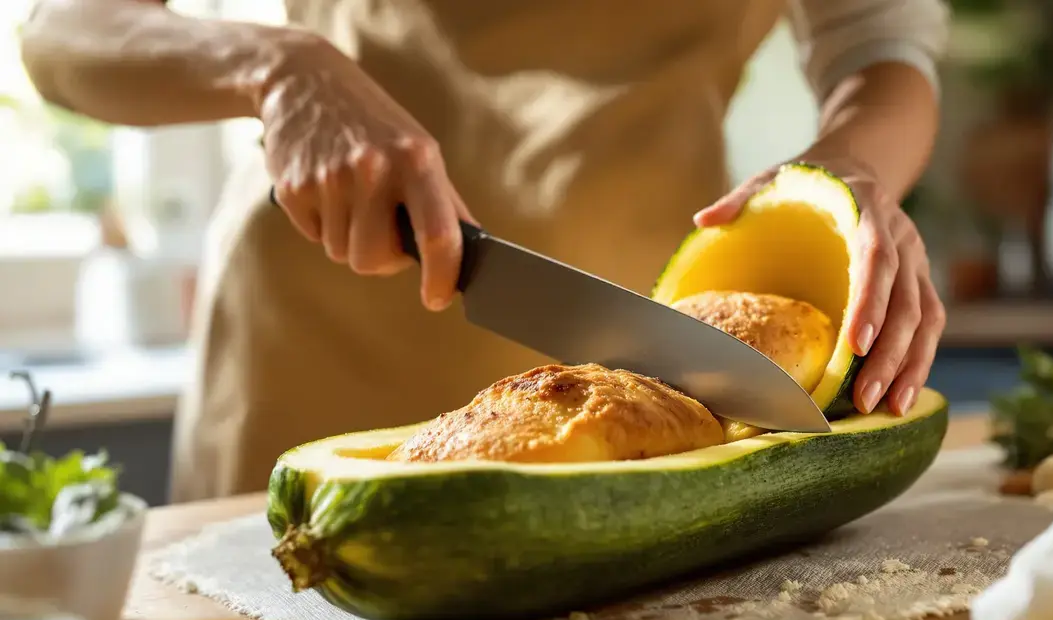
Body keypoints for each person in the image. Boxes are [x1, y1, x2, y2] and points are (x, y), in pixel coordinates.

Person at [20, 0, 950, 503]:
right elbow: (66, 27)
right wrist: (276, 67)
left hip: (644, 386)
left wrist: (846, 172)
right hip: (308, 331)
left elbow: (884, 48)